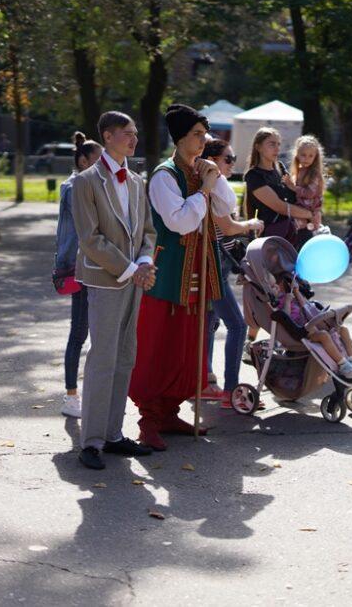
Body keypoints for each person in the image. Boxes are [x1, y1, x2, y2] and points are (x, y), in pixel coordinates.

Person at [130, 104, 235, 451]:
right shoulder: (164, 175)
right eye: (196, 134)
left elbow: (228, 206)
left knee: (187, 347)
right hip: (166, 275)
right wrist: (203, 189)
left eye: (205, 134)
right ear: (179, 138)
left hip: (195, 274)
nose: (204, 140)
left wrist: (213, 180)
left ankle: (171, 411)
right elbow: (180, 221)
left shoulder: (201, 170)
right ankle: (149, 421)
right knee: (157, 347)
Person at [72, 111, 157, 470]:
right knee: (102, 358)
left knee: (125, 356)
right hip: (106, 280)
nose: (133, 138)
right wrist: (130, 269)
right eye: (126, 133)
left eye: (135, 132)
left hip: (134, 278)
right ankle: (90, 442)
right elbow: (90, 238)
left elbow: (149, 232)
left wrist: (146, 260)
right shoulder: (85, 182)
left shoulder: (138, 182)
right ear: (107, 136)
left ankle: (112, 434)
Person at [200, 139, 262, 407]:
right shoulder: (211, 185)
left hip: (218, 261)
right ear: (213, 159)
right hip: (213, 263)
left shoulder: (212, 184)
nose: (232, 163)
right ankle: (230, 391)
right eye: (229, 158)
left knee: (210, 323)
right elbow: (226, 227)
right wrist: (251, 224)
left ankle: (205, 381)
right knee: (237, 326)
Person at [53, 132, 104, 419]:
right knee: (79, 332)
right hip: (80, 267)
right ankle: (71, 395)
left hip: (92, 265)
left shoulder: (87, 184)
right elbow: (89, 226)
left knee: (94, 332)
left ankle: (86, 393)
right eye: (97, 160)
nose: (102, 165)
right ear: (83, 160)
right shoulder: (74, 187)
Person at [276, 276, 352, 380]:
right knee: (323, 335)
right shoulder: (279, 302)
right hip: (301, 331)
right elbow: (284, 317)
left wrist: (296, 291)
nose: (277, 288)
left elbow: (306, 306)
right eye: (273, 286)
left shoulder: (291, 296)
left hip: (313, 323)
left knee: (343, 329)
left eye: (277, 285)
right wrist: (287, 301)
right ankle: (343, 364)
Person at [244, 128, 315, 243]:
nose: (277, 149)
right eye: (272, 144)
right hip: (273, 238)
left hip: (297, 232)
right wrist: (310, 214)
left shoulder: (280, 168)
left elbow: (295, 194)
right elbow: (280, 207)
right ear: (258, 147)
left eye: (278, 144)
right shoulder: (254, 176)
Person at [289, 135, 325, 248]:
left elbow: (310, 193)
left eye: (311, 156)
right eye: (303, 155)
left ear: (315, 157)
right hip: (301, 212)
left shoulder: (314, 174)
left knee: (305, 240)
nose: (306, 159)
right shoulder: (299, 172)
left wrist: (293, 187)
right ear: (297, 154)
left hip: (311, 213)